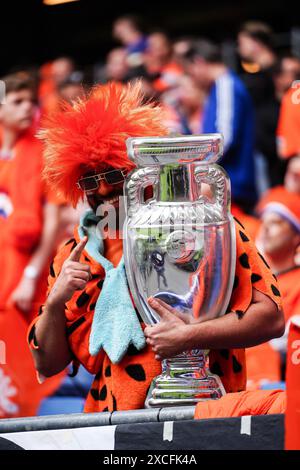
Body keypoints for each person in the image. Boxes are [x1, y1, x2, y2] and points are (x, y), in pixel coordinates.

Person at [28, 81, 284, 413]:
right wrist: (54, 303)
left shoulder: (208, 227)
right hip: (111, 427)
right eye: (90, 180)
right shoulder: (73, 254)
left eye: (115, 174)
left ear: (141, 171)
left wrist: (190, 337)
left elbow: (271, 318)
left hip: (203, 415)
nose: (104, 189)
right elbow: (47, 364)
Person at [0, 73, 64, 417]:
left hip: (26, 270)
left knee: (21, 354)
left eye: (31, 101)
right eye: (18, 101)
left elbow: (52, 224)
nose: (28, 108)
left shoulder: (42, 154)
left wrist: (30, 273)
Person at [184, 39, 257, 212]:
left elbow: (224, 137)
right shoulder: (218, 87)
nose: (192, 79)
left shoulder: (226, 84)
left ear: (199, 62)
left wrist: (198, 172)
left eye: (191, 72)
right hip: (226, 185)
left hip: (232, 185)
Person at [245, 187, 300, 387]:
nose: (266, 229)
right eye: (264, 222)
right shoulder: (251, 281)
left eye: (276, 223)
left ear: (296, 236)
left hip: (280, 380)